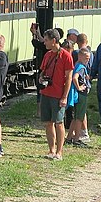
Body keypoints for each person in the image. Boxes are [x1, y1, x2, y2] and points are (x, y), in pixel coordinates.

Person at [39, 29, 74, 160]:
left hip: (58, 94)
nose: (44, 42)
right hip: (46, 92)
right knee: (48, 122)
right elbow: (43, 71)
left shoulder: (66, 56)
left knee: (59, 123)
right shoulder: (47, 55)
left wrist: (64, 96)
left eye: (46, 40)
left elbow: (69, 77)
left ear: (54, 41)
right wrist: (41, 79)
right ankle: (51, 150)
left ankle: (59, 152)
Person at [66, 48, 91, 146]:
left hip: (77, 95)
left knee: (75, 117)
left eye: (88, 59)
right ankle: (76, 138)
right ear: (80, 56)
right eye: (86, 58)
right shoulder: (81, 67)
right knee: (79, 117)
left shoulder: (77, 65)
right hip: (81, 95)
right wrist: (79, 87)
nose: (87, 60)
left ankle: (69, 137)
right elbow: (75, 77)